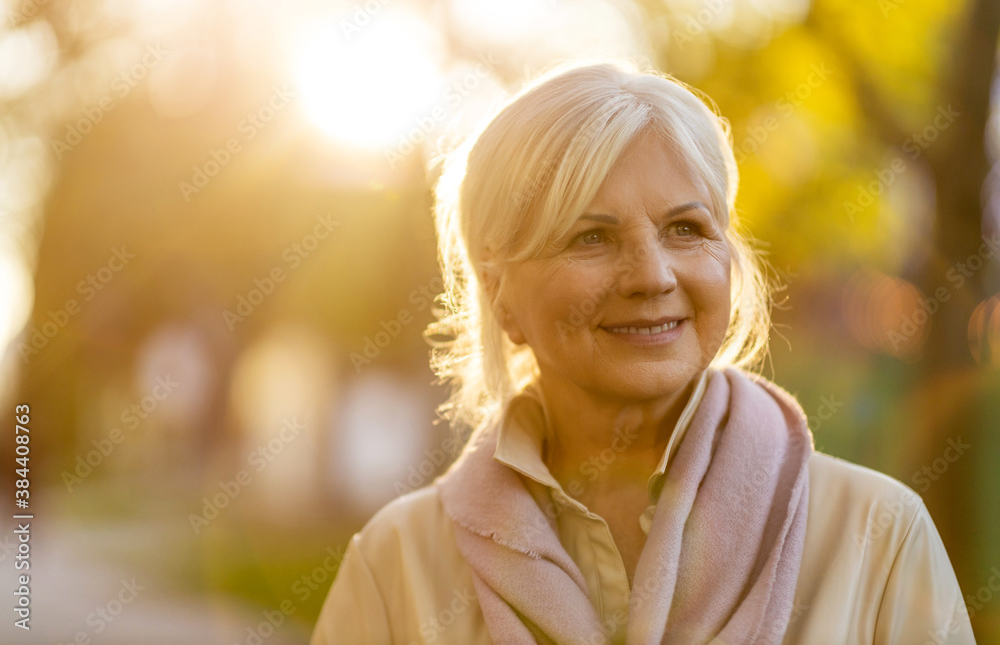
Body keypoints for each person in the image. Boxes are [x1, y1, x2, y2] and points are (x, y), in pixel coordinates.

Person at [310, 62, 975, 644]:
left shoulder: (876, 536)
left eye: (686, 228)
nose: (651, 275)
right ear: (500, 294)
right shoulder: (395, 564)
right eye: (590, 238)